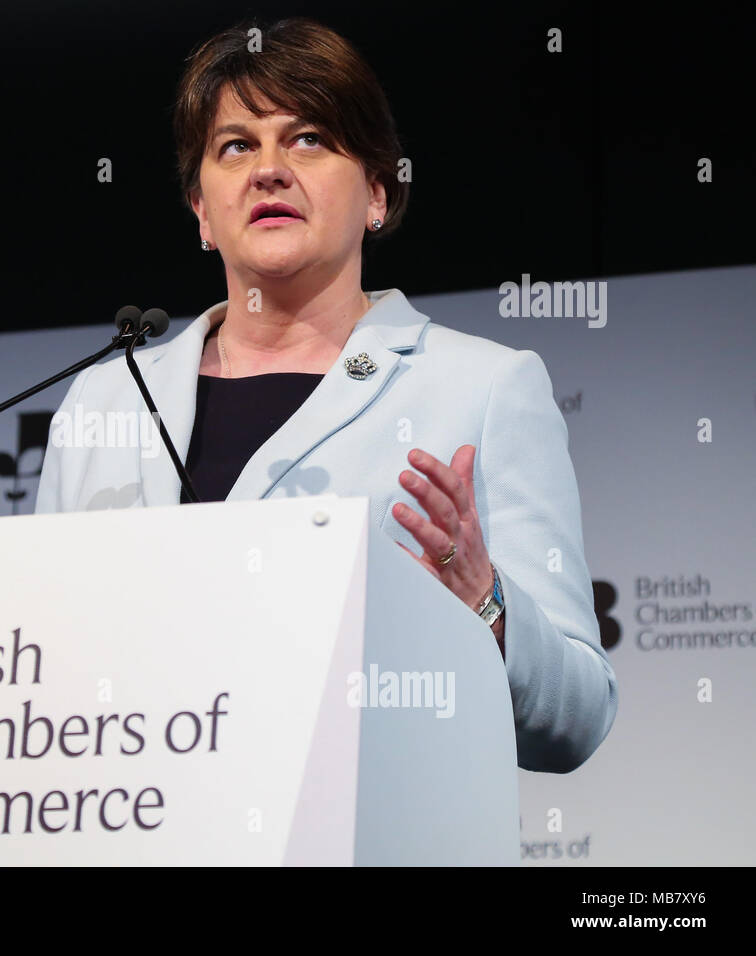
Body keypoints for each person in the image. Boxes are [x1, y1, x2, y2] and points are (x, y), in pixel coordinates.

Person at [35, 17, 616, 773]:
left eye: (308, 138)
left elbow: (576, 718)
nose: (268, 170)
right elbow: (43, 672)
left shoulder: (482, 388)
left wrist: (485, 601)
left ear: (378, 192)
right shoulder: (103, 402)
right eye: (235, 146)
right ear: (202, 211)